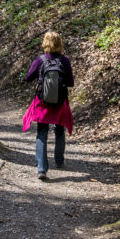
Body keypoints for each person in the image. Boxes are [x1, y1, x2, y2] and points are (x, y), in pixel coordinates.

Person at [22, 30, 74, 180]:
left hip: (42, 102)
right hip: (60, 102)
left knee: (42, 132)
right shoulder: (65, 61)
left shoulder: (40, 59)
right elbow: (70, 82)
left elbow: (28, 78)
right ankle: (59, 161)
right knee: (59, 130)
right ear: (60, 44)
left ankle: (41, 169)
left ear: (45, 43)